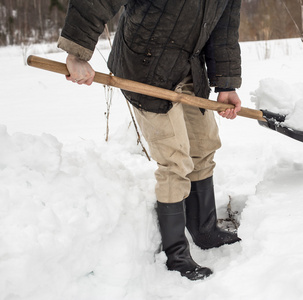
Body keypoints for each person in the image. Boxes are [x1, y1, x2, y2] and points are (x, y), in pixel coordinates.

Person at [57, 0, 243, 280]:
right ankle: (176, 255)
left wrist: (226, 83)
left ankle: (204, 230)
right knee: (175, 158)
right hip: (145, 66)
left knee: (203, 145)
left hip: (188, 66)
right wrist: (76, 52)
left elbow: (224, 28)